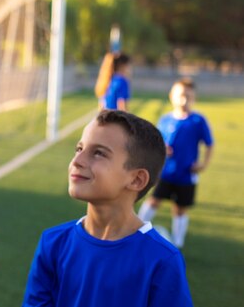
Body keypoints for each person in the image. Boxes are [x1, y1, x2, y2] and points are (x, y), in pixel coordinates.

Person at [23, 110, 193, 307]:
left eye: (98, 153)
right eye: (79, 149)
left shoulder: (162, 260)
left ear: (136, 179)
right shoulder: (53, 243)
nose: (77, 161)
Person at [138, 78, 213, 248]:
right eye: (181, 95)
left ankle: (178, 242)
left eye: (189, 96)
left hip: (186, 174)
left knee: (180, 208)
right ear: (172, 96)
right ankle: (136, 230)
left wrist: (203, 164)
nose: (184, 100)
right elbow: (157, 143)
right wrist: (162, 148)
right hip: (164, 172)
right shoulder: (165, 119)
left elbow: (210, 144)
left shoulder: (198, 121)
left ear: (194, 98)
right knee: (153, 200)